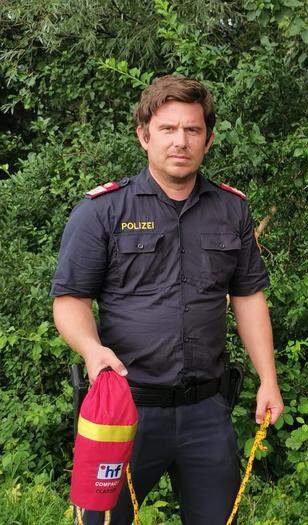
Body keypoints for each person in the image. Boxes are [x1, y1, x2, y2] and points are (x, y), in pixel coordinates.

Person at [52, 75, 284, 524]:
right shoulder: (101, 211)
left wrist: (268, 379)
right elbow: (70, 301)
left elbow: (249, 297)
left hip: (205, 412)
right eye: (168, 129)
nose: (181, 141)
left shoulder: (232, 209)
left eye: (193, 130)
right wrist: (92, 350)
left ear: (208, 140)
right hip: (124, 410)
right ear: (144, 135)